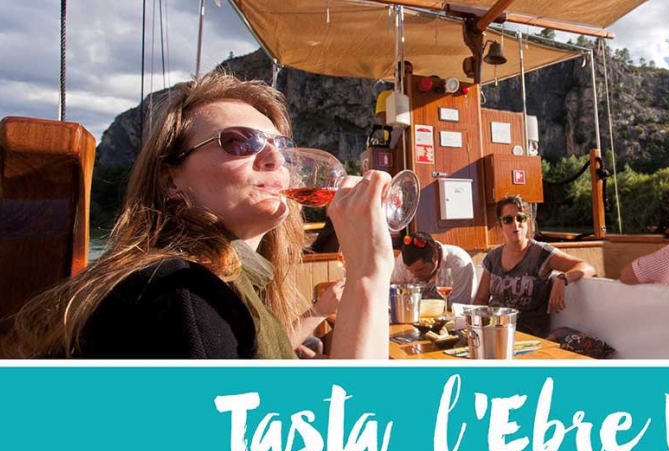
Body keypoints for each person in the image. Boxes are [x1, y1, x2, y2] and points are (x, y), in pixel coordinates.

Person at [2, 72, 393, 359]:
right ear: (171, 180)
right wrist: (368, 271)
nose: (276, 157)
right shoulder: (181, 292)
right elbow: (350, 434)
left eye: (281, 145)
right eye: (240, 142)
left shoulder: (224, 283)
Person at [473, 196, 596, 338]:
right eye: (508, 220)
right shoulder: (492, 258)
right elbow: (481, 300)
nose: (515, 224)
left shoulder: (542, 253)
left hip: (529, 335)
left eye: (521, 218)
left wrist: (562, 279)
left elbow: (587, 267)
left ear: (528, 221)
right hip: (494, 330)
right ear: (500, 225)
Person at [390, 232, 475, 306]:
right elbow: (394, 297)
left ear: (435, 257)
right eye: (409, 270)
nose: (415, 276)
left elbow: (457, 309)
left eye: (420, 270)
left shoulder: (459, 264)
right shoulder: (402, 260)